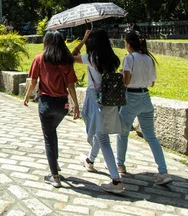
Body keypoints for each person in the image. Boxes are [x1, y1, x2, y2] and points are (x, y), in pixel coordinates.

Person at [23, 30, 80, 188]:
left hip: (46, 104)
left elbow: (33, 82)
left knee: (48, 137)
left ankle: (54, 176)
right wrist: (75, 105)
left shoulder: (40, 59)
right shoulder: (66, 61)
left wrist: (27, 96)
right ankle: (55, 163)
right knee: (52, 131)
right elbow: (71, 85)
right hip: (62, 105)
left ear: (46, 42)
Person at [72, 29, 126, 194]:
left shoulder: (91, 59)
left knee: (102, 138)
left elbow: (70, 57)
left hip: (95, 100)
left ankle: (116, 181)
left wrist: (82, 40)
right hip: (110, 100)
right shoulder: (113, 59)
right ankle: (90, 160)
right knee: (99, 131)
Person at [116, 31, 173, 185]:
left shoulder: (129, 58)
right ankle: (163, 171)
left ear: (128, 43)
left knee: (122, 132)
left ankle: (120, 164)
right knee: (151, 136)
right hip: (145, 98)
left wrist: (122, 75)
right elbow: (152, 82)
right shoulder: (148, 58)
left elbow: (126, 81)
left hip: (131, 98)